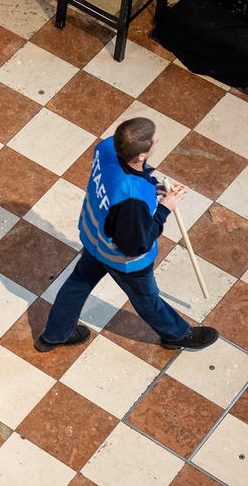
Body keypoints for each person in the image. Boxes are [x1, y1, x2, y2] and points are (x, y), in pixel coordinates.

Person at [36, 117, 219, 353]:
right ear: (141, 155)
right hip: (123, 259)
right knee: (146, 298)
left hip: (95, 239)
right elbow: (136, 244)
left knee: (78, 283)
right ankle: (177, 335)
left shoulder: (107, 147)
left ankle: (54, 335)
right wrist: (164, 209)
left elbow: (117, 182)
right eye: (155, 141)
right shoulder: (132, 201)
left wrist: (151, 187)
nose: (158, 140)